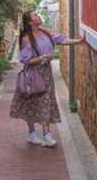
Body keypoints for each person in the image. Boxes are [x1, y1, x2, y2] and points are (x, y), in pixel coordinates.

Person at [10, 10, 84, 148]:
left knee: (47, 101)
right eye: (35, 16)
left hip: (46, 74)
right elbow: (25, 60)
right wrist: (42, 58)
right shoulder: (27, 39)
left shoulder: (46, 33)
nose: (39, 16)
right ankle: (32, 133)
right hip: (32, 74)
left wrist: (78, 41)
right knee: (30, 101)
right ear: (30, 22)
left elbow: (61, 39)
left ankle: (46, 134)